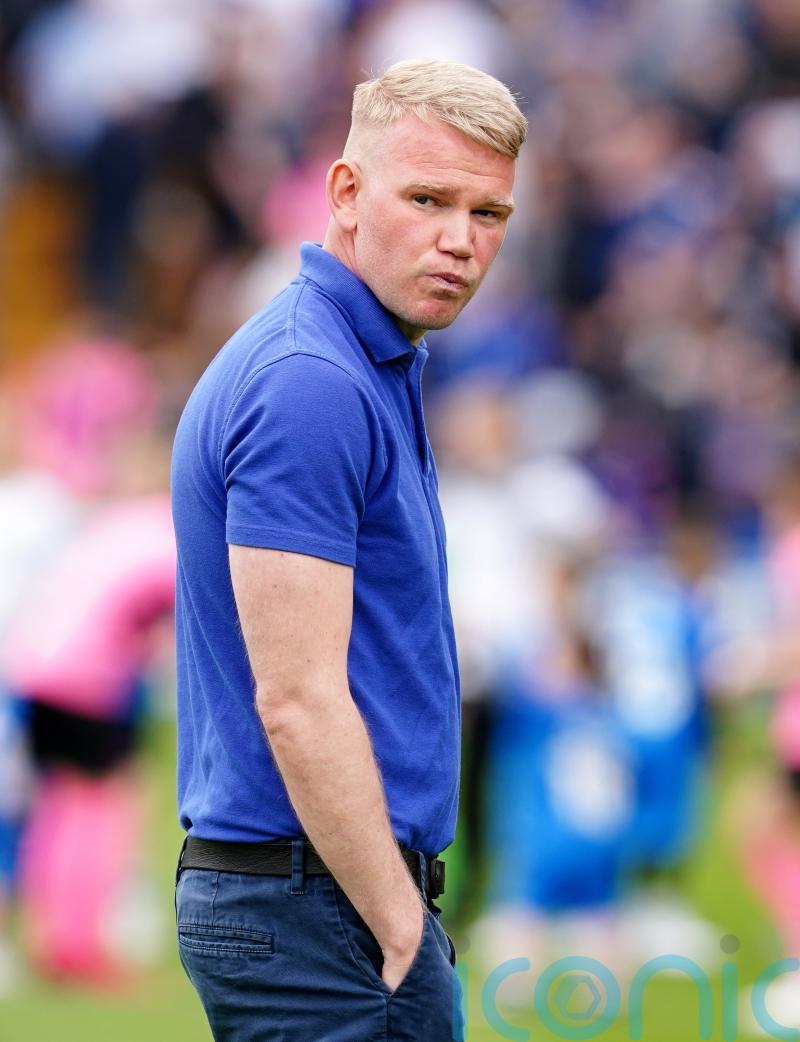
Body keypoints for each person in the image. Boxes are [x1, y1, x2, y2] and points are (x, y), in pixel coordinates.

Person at [170, 58, 526, 1042]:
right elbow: (297, 697)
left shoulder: (364, 356)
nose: (459, 239)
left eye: (487, 213)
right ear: (346, 192)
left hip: (313, 893)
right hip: (314, 900)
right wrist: (398, 924)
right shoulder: (309, 382)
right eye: (426, 199)